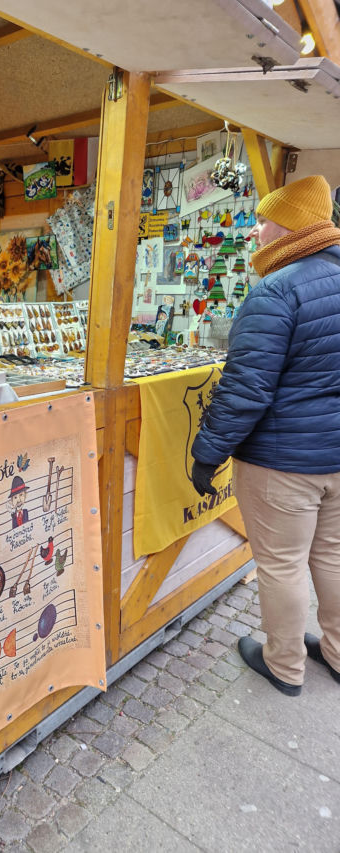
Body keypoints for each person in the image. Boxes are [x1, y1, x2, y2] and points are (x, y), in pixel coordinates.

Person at [191, 175, 340, 697]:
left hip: (284, 460)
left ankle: (284, 665)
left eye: (263, 220)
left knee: (280, 564)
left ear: (290, 225)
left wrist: (207, 455)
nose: (255, 231)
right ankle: (338, 653)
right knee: (332, 556)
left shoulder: (277, 289)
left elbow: (245, 390)